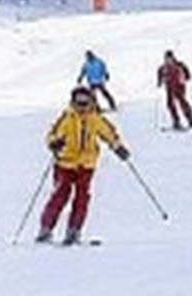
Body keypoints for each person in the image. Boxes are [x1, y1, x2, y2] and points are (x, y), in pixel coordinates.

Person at [36, 86, 130, 245]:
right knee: (60, 195)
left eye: (85, 102)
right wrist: (54, 144)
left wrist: (117, 147)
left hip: (86, 164)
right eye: (78, 102)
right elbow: (52, 135)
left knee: (82, 197)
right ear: (73, 102)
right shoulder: (67, 117)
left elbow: (109, 133)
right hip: (65, 163)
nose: (82, 107)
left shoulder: (95, 118)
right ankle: (46, 228)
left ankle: (74, 230)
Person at [156, 50, 192, 130]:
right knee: (170, 104)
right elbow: (160, 76)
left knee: (182, 102)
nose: (168, 61)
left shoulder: (179, 65)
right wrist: (159, 82)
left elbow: (187, 74)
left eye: (169, 59)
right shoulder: (163, 68)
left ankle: (190, 119)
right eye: (166, 59)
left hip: (179, 87)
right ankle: (176, 121)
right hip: (169, 88)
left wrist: (185, 77)